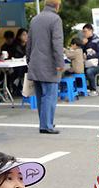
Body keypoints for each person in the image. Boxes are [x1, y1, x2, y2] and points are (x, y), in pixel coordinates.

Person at [26, 0, 64, 134]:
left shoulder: (35, 19)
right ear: (57, 6)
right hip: (49, 65)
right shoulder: (55, 19)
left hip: (35, 64)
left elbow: (29, 42)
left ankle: (44, 123)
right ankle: (47, 125)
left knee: (41, 96)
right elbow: (57, 43)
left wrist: (28, 59)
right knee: (49, 96)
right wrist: (60, 63)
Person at [82, 23, 99, 92]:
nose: (84, 33)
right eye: (83, 32)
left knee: (89, 71)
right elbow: (81, 52)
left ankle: (93, 89)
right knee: (78, 70)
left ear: (90, 30)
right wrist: (83, 45)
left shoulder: (97, 41)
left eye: (85, 31)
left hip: (98, 64)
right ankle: (82, 89)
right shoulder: (85, 41)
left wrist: (89, 56)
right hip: (87, 64)